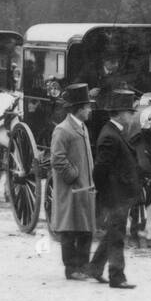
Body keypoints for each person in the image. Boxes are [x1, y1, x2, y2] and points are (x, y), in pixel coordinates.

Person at [85, 90, 141, 289]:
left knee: (113, 232)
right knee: (117, 236)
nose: (132, 115)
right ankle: (117, 277)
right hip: (115, 195)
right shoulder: (110, 136)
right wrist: (106, 195)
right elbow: (100, 170)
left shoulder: (115, 132)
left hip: (120, 194)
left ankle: (94, 267)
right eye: (129, 112)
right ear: (119, 113)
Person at [50, 83, 96, 280]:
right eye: (87, 107)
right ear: (78, 109)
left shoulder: (82, 127)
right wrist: (74, 175)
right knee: (69, 229)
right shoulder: (63, 130)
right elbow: (57, 159)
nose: (90, 110)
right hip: (71, 189)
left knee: (85, 228)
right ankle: (71, 268)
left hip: (85, 188)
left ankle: (83, 266)